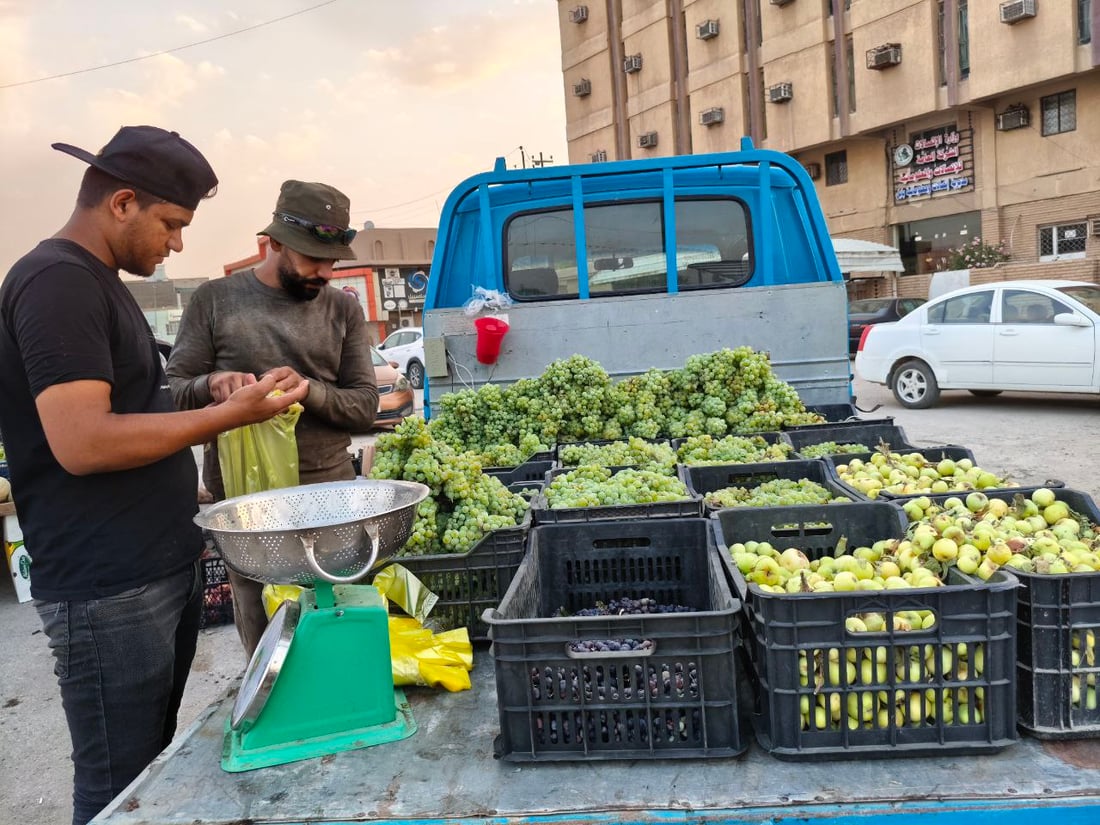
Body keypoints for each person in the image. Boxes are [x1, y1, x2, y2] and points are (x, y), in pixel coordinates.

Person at [0, 125, 309, 825]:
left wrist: (211, 393)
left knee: (147, 773)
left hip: (151, 570)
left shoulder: (96, 284)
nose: (175, 244)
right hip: (107, 587)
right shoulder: (56, 283)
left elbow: (131, 407)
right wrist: (231, 420)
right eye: (171, 224)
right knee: (116, 787)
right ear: (121, 202)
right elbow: (82, 440)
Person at [167, 179, 379, 659]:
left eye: (331, 261)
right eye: (311, 258)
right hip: (247, 502)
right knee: (266, 633)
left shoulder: (343, 309)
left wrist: (310, 391)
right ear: (274, 243)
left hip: (329, 495)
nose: (324, 272)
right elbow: (176, 394)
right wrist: (214, 386)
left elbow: (365, 404)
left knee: (336, 618)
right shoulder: (215, 301)